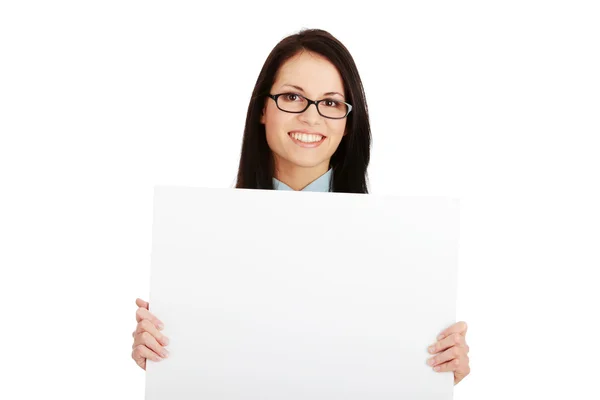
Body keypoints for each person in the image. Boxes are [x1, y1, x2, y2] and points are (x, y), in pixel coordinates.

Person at [131, 28, 471, 386]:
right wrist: (163, 357)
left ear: (348, 122)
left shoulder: (401, 245)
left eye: (331, 102)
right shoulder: (198, 237)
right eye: (293, 97)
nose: (311, 117)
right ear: (263, 109)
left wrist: (441, 370)